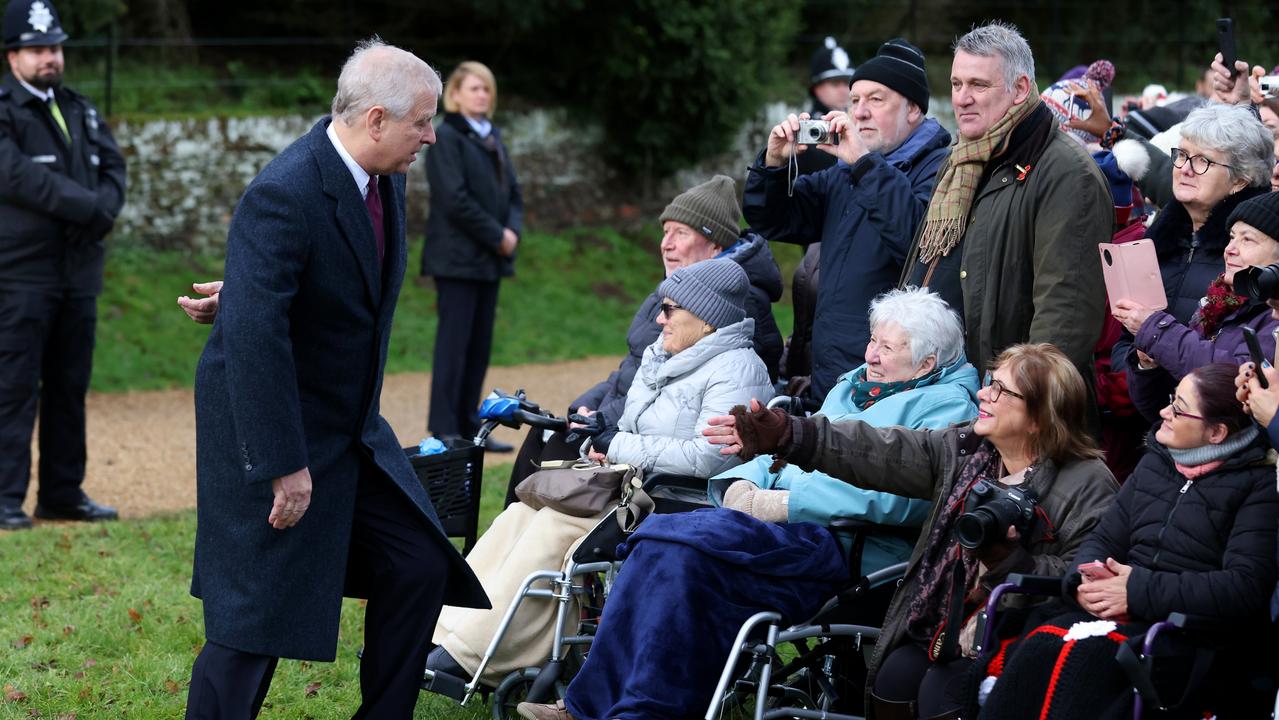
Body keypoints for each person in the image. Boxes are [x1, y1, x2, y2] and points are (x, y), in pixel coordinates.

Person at [185, 40, 488, 719]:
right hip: (276, 427)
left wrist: (246, 291)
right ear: (376, 120)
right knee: (253, 620)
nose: (431, 137)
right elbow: (258, 342)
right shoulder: (283, 190)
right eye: (421, 122)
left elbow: (327, 274)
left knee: (418, 565)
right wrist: (283, 464)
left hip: (352, 433)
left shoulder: (385, 175)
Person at [511, 290, 970, 720]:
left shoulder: (946, 410)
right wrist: (738, 484)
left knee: (675, 547)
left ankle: (637, 711)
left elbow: (900, 497)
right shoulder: (854, 389)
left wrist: (783, 504)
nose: (870, 355)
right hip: (789, 537)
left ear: (927, 361)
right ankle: (587, 707)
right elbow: (786, 448)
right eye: (872, 340)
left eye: (887, 349)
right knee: (656, 547)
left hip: (850, 551)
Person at [704, 343, 1119, 719]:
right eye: (989, 383)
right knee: (893, 679)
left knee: (943, 692)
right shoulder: (967, 451)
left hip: (1022, 637)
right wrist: (791, 433)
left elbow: (1085, 580)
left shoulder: (1088, 484)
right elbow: (881, 451)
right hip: (947, 623)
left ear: (1039, 417)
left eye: (1001, 391)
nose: (982, 394)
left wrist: (1011, 562)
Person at [431, 259, 773, 687]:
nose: (659, 318)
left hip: (677, 503)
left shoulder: (738, 369)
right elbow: (629, 430)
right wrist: (603, 442)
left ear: (705, 318)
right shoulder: (661, 355)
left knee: (553, 526)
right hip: (631, 487)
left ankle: (475, 655)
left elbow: (711, 457)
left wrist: (618, 444)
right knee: (518, 516)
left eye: (669, 309)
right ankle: (442, 633)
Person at [980, 364, 1278, 719]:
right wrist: (1084, 580)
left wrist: (1136, 591)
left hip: (1184, 633)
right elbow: (1104, 538)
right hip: (1117, 611)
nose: (1165, 412)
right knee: (1036, 642)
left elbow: (1242, 587)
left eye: (1179, 408)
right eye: (1171, 400)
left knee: (1081, 661)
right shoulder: (1155, 465)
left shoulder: (1259, 486)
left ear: (1216, 432)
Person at [504, 175, 782, 503]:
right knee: (546, 433)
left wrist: (606, 427)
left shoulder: (729, 302)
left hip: (653, 455)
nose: (667, 244)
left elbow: (677, 398)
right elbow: (630, 368)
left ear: (715, 245)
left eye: (681, 233)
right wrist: (588, 406)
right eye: (665, 232)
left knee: (550, 461)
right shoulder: (673, 290)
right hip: (626, 427)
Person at [899, 22, 1112, 403]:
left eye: (979, 85)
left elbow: (1064, 316)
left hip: (1008, 408)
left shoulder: (1067, 174)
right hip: (937, 396)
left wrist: (1014, 402)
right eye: (956, 84)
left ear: (1020, 90)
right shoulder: (960, 158)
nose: (962, 98)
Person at [745, 38, 951, 403]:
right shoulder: (846, 173)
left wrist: (863, 164)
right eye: (855, 101)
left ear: (914, 109)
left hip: (894, 379)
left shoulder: (939, 170)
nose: (860, 112)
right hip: (831, 372)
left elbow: (915, 243)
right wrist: (773, 164)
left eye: (876, 99)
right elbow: (773, 219)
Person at [0, 0, 127, 531]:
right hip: (21, 274)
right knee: (12, 387)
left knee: (69, 387)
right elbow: (17, 177)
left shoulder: (80, 108)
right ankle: (5, 498)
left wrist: (104, 209)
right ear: (12, 56)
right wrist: (88, 207)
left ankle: (62, 492)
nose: (48, 58)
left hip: (78, 274)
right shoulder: (5, 111)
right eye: (36, 50)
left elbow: (113, 167)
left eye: (53, 47)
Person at [421, 61, 523, 452]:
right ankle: (443, 427)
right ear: (456, 94)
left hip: (489, 260)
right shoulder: (446, 137)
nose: (482, 94)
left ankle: (468, 425)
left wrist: (511, 230)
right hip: (457, 259)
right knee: (454, 345)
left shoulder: (492, 136)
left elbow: (513, 192)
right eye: (474, 88)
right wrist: (498, 235)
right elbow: (454, 199)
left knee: (478, 346)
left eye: (487, 88)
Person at [1114, 191, 1279, 423]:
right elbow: (1160, 410)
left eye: (1247, 239)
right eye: (1231, 237)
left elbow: (1234, 382)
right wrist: (1148, 366)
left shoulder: (1273, 315)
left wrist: (1156, 332)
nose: (1230, 249)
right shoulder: (1218, 300)